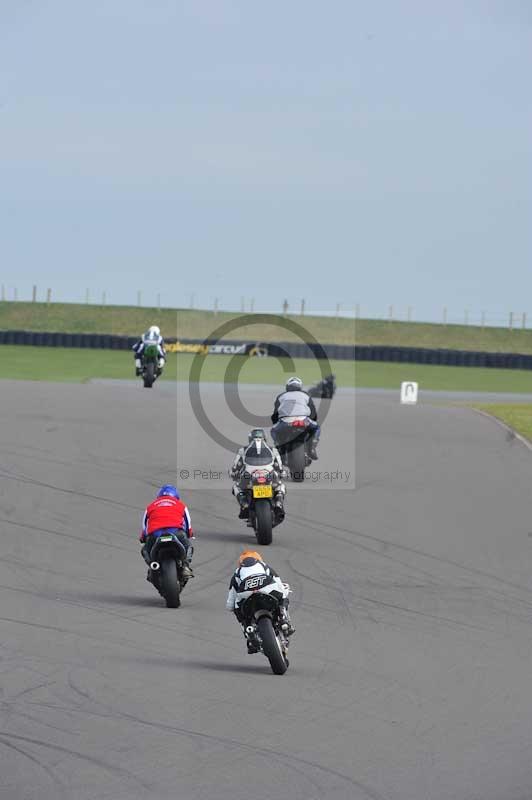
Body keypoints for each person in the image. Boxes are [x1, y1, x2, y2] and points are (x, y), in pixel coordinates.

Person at [226, 550, 294, 653]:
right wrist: (284, 592)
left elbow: (230, 604)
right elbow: (278, 583)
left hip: (247, 593)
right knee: (282, 596)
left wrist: (234, 608)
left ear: (240, 563)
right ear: (258, 559)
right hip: (266, 588)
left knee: (237, 608)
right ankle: (283, 619)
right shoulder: (264, 565)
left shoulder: (237, 572)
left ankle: (248, 631)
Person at [230, 429, 286, 521]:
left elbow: (236, 465)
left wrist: (233, 472)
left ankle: (245, 505)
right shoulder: (273, 450)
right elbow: (279, 466)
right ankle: (278, 504)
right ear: (265, 438)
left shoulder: (242, 450)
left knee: (237, 487)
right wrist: (281, 472)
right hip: (269, 472)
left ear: (250, 439)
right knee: (280, 486)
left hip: (249, 473)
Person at [139, 485, 194, 578]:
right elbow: (188, 524)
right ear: (176, 496)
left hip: (156, 534)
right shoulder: (181, 505)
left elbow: (145, 526)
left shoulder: (150, 506)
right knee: (188, 546)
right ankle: (185, 566)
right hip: (175, 531)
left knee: (145, 550)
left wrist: (143, 538)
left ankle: (153, 566)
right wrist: (189, 534)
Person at [271, 376, 320, 460]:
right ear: (300, 386)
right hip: (303, 420)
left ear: (287, 386)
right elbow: (313, 411)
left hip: (286, 421)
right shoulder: (306, 395)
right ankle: (312, 448)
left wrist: (275, 422)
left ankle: (280, 449)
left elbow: (275, 413)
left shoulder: (281, 396)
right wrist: (313, 419)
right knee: (316, 428)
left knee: (273, 430)